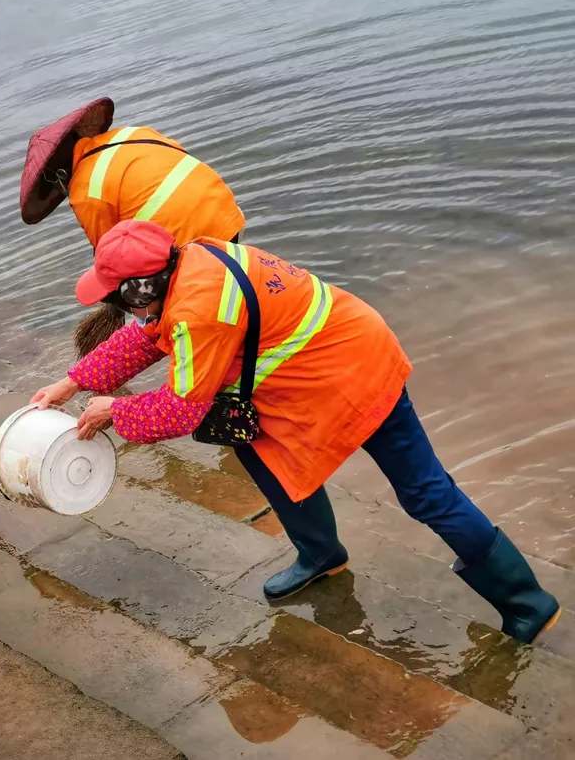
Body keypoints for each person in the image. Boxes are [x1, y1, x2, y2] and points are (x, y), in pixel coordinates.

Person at [29, 219, 561, 645]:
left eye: (118, 298)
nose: (118, 309)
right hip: (334, 356)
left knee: (424, 493)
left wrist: (111, 412)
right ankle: (321, 555)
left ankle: (527, 603)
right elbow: (150, 337)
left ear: (145, 285)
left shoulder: (199, 311)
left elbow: (179, 411)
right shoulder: (197, 254)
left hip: (356, 374)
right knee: (262, 453)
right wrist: (70, 382)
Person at [19, 97, 245, 355]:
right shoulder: (133, 134)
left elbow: (113, 257)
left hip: (188, 245)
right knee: (223, 306)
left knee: (178, 323)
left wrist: (118, 305)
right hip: (225, 215)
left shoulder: (86, 192)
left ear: (58, 175)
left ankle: (198, 369)